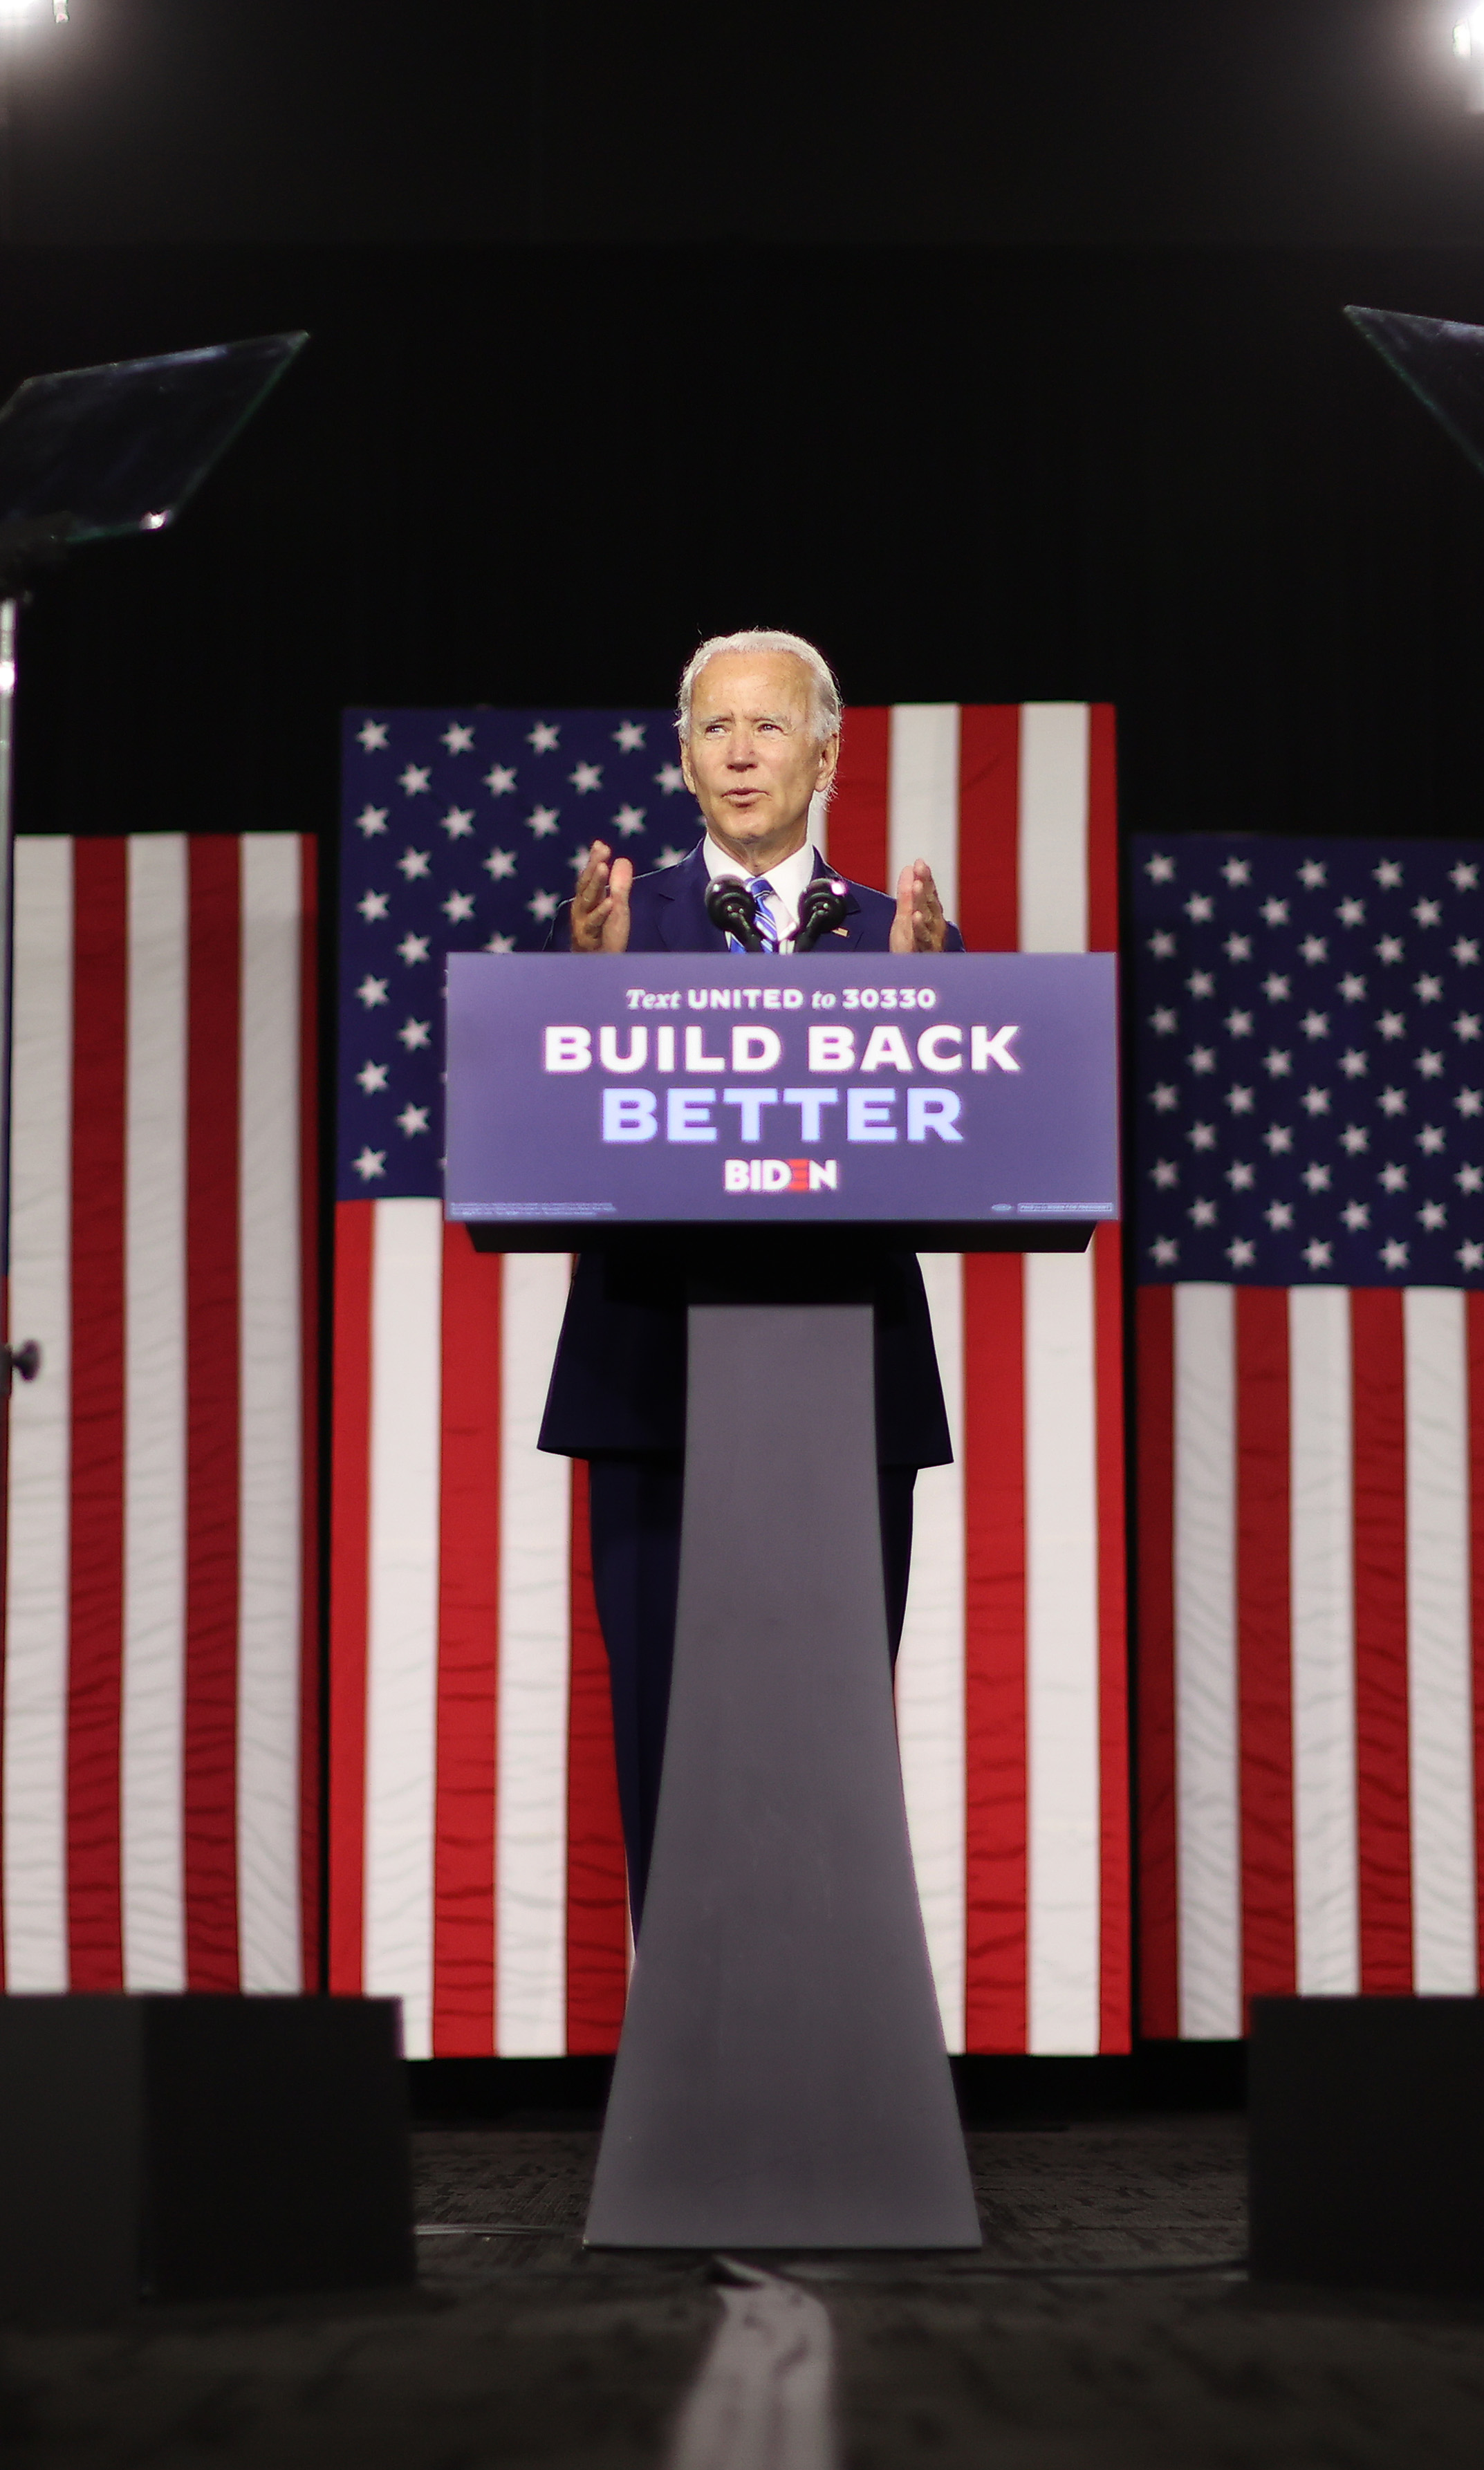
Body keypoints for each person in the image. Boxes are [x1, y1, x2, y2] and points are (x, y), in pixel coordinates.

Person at [535, 629, 962, 1921]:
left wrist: (930, 1017)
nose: (738, 752)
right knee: (665, 1724)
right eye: (714, 729)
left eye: (768, 726)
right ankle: (685, 2057)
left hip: (847, 1389)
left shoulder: (902, 939)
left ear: (828, 753)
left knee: (823, 1732)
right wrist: (584, 997)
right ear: (680, 757)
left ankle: (826, 2051)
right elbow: (545, 1139)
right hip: (650, 1382)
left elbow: (957, 1154)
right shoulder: (614, 928)